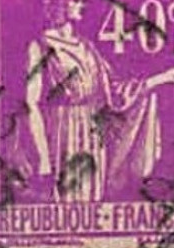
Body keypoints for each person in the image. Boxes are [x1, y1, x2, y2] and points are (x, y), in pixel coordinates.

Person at [25, 0, 171, 204]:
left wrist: (160, 79)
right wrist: (43, 159)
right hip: (62, 135)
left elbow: (114, 91)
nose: (82, 5)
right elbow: (31, 105)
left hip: (92, 136)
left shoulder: (87, 47)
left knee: (92, 201)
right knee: (67, 203)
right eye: (76, 1)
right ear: (59, 4)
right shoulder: (40, 46)